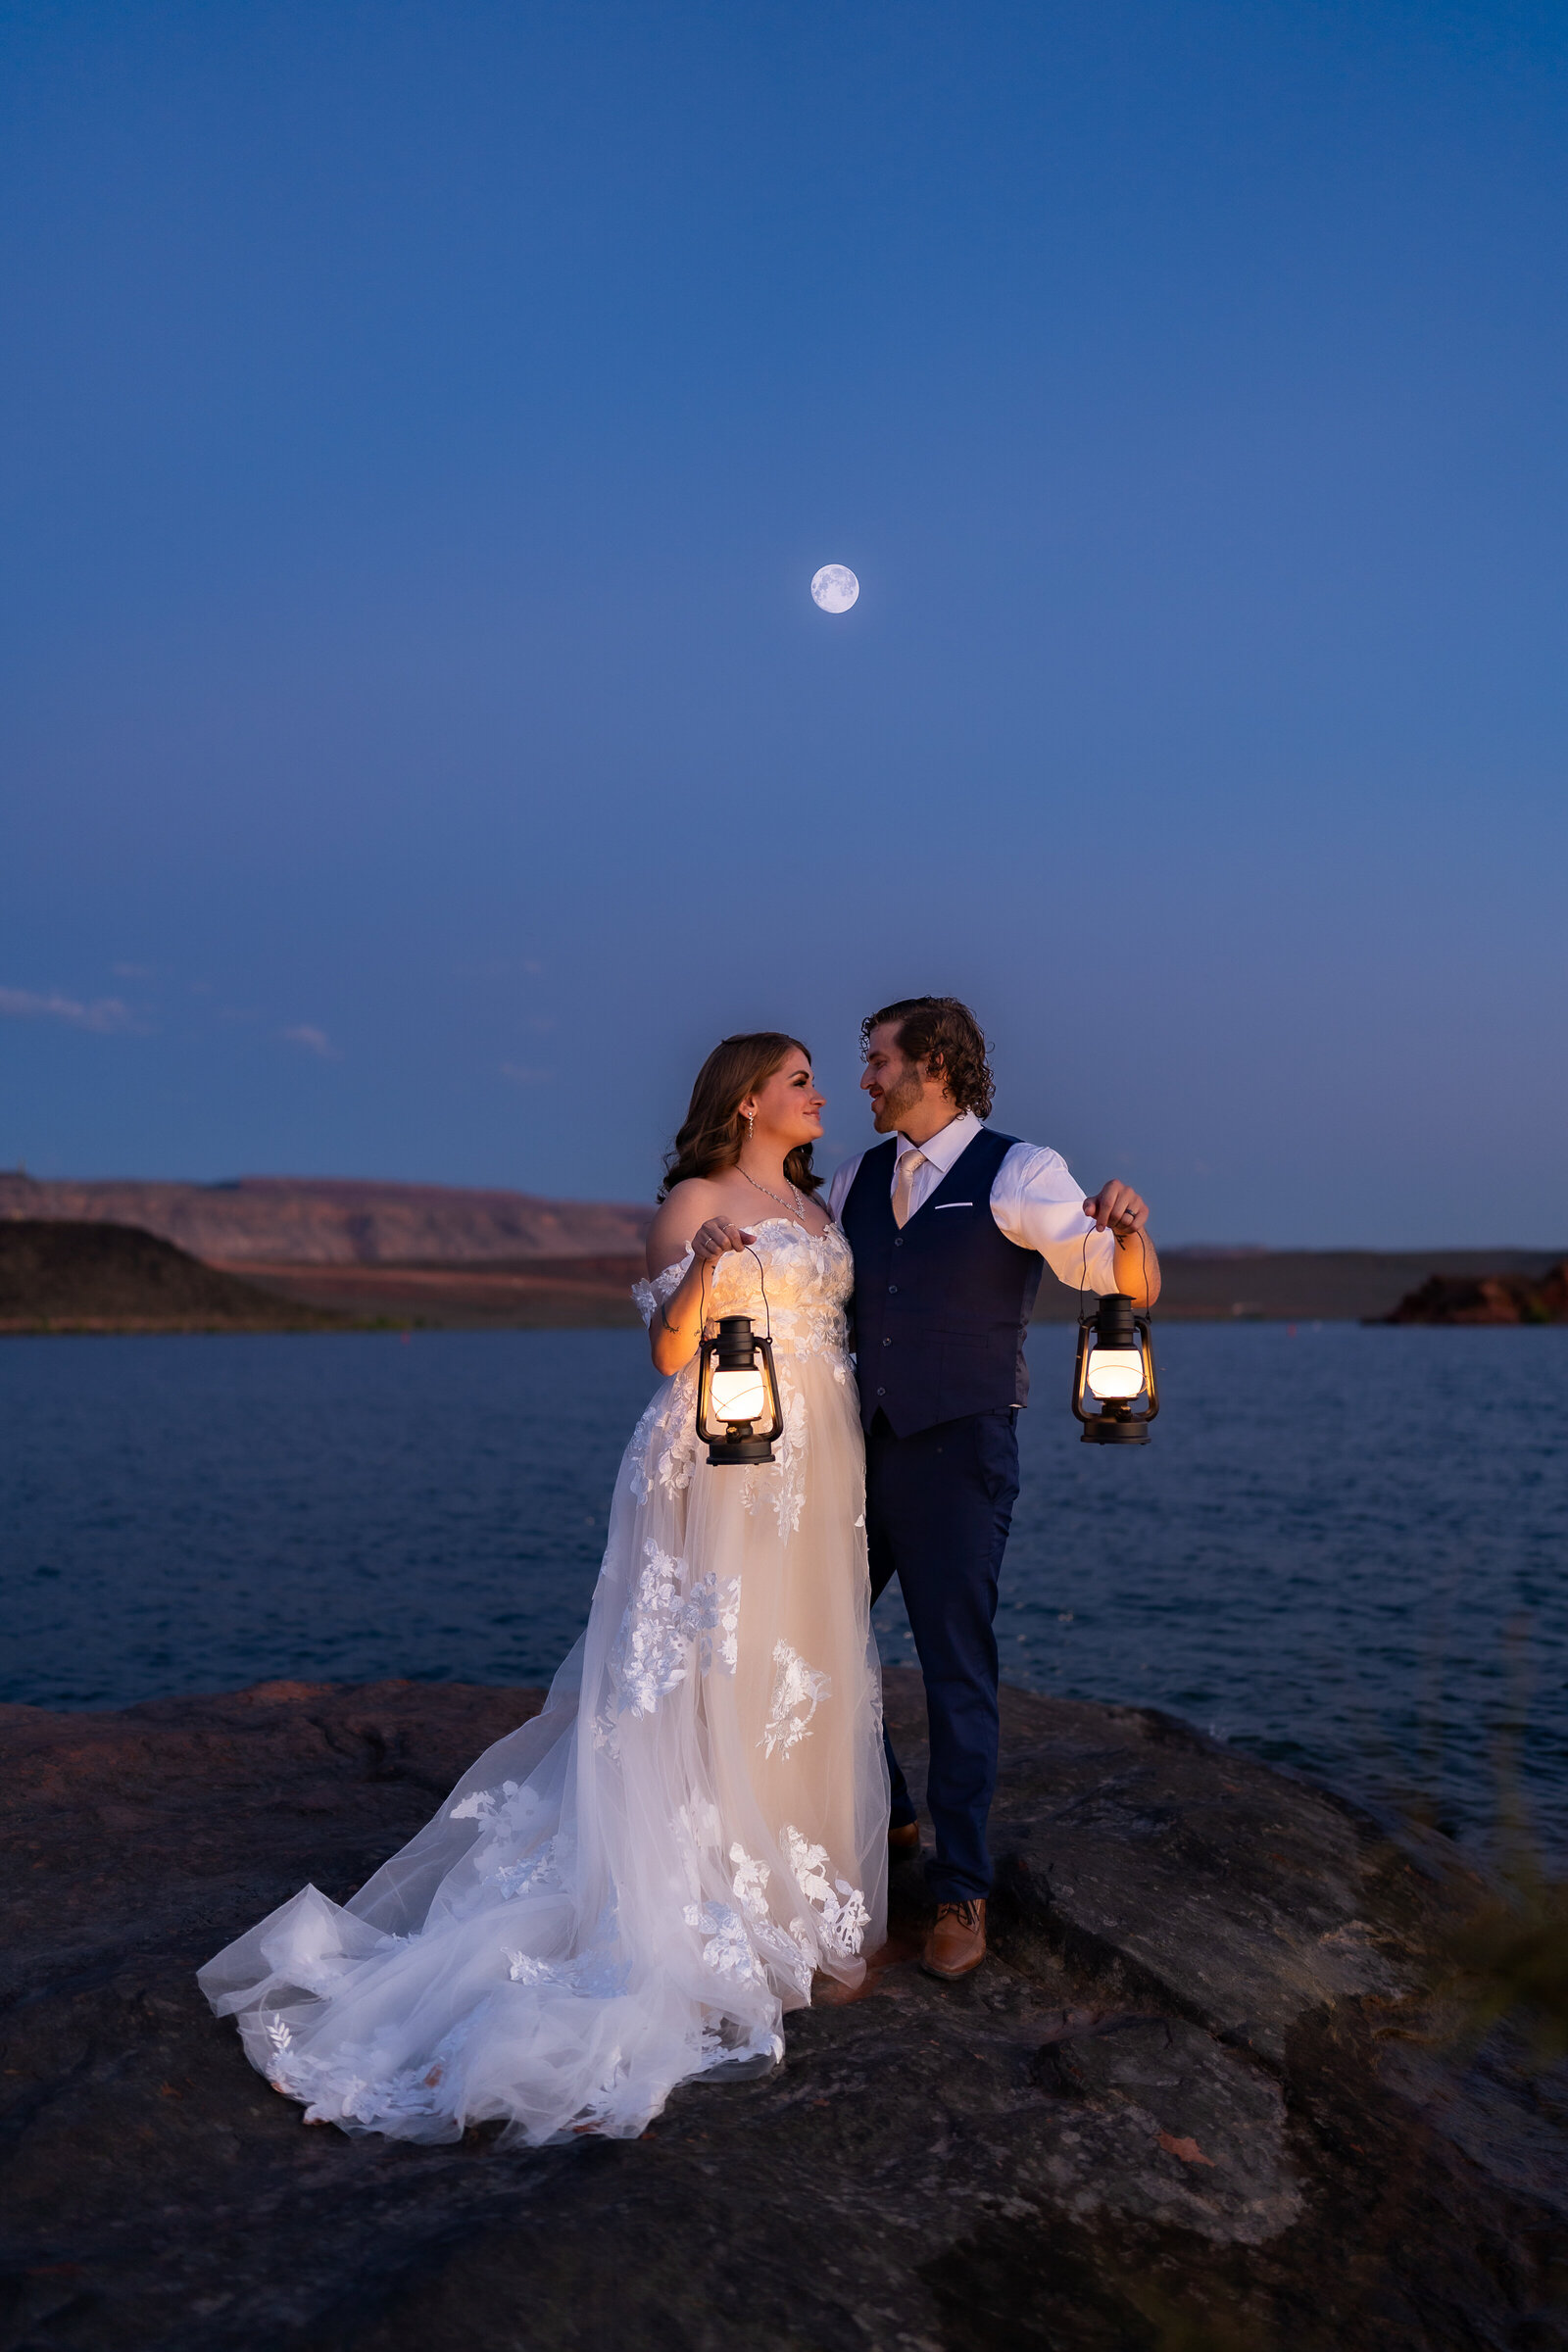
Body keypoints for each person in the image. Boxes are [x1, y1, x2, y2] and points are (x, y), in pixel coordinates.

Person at [199, 1033, 887, 2147]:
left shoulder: (818, 1204)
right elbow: (667, 1355)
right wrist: (709, 1270)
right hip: (720, 1456)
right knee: (710, 1663)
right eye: (801, 1079)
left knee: (793, 1662)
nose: (820, 1095)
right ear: (748, 1098)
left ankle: (784, 1892)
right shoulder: (694, 1200)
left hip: (818, 1464)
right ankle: (692, 1898)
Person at [829, 996, 1159, 1983]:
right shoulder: (854, 1177)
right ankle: (889, 1810)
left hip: (958, 1452)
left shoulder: (1020, 1171)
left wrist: (1129, 1230)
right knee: (817, 1637)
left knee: (953, 1669)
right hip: (855, 1450)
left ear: (931, 1063)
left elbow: (1122, 1282)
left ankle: (960, 1889)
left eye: (876, 1059)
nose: (864, 1077)